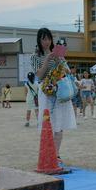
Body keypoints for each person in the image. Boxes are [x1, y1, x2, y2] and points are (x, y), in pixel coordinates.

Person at [31, 28, 77, 157]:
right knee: (47, 123)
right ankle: (48, 153)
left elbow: (67, 72)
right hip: (46, 93)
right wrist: (47, 59)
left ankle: (56, 154)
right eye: (43, 39)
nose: (46, 41)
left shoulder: (58, 54)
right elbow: (39, 76)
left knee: (59, 123)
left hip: (59, 92)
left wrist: (58, 60)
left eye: (48, 38)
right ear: (39, 40)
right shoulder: (34, 57)